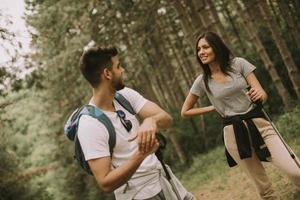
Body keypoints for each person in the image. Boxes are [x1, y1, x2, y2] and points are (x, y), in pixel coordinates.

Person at [181, 31, 300, 199]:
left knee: (295, 170)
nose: (201, 52)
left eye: (205, 47)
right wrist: (212, 108)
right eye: (198, 49)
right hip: (233, 134)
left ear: (217, 47)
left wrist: (259, 95)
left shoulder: (239, 64)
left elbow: (262, 93)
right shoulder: (202, 81)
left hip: (260, 124)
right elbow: (185, 111)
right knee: (265, 189)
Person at [77, 46, 196, 200]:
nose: (123, 70)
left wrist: (151, 120)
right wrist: (142, 153)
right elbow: (105, 183)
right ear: (107, 74)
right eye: (118, 66)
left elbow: (167, 120)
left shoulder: (124, 95)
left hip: (165, 180)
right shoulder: (90, 124)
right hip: (139, 195)